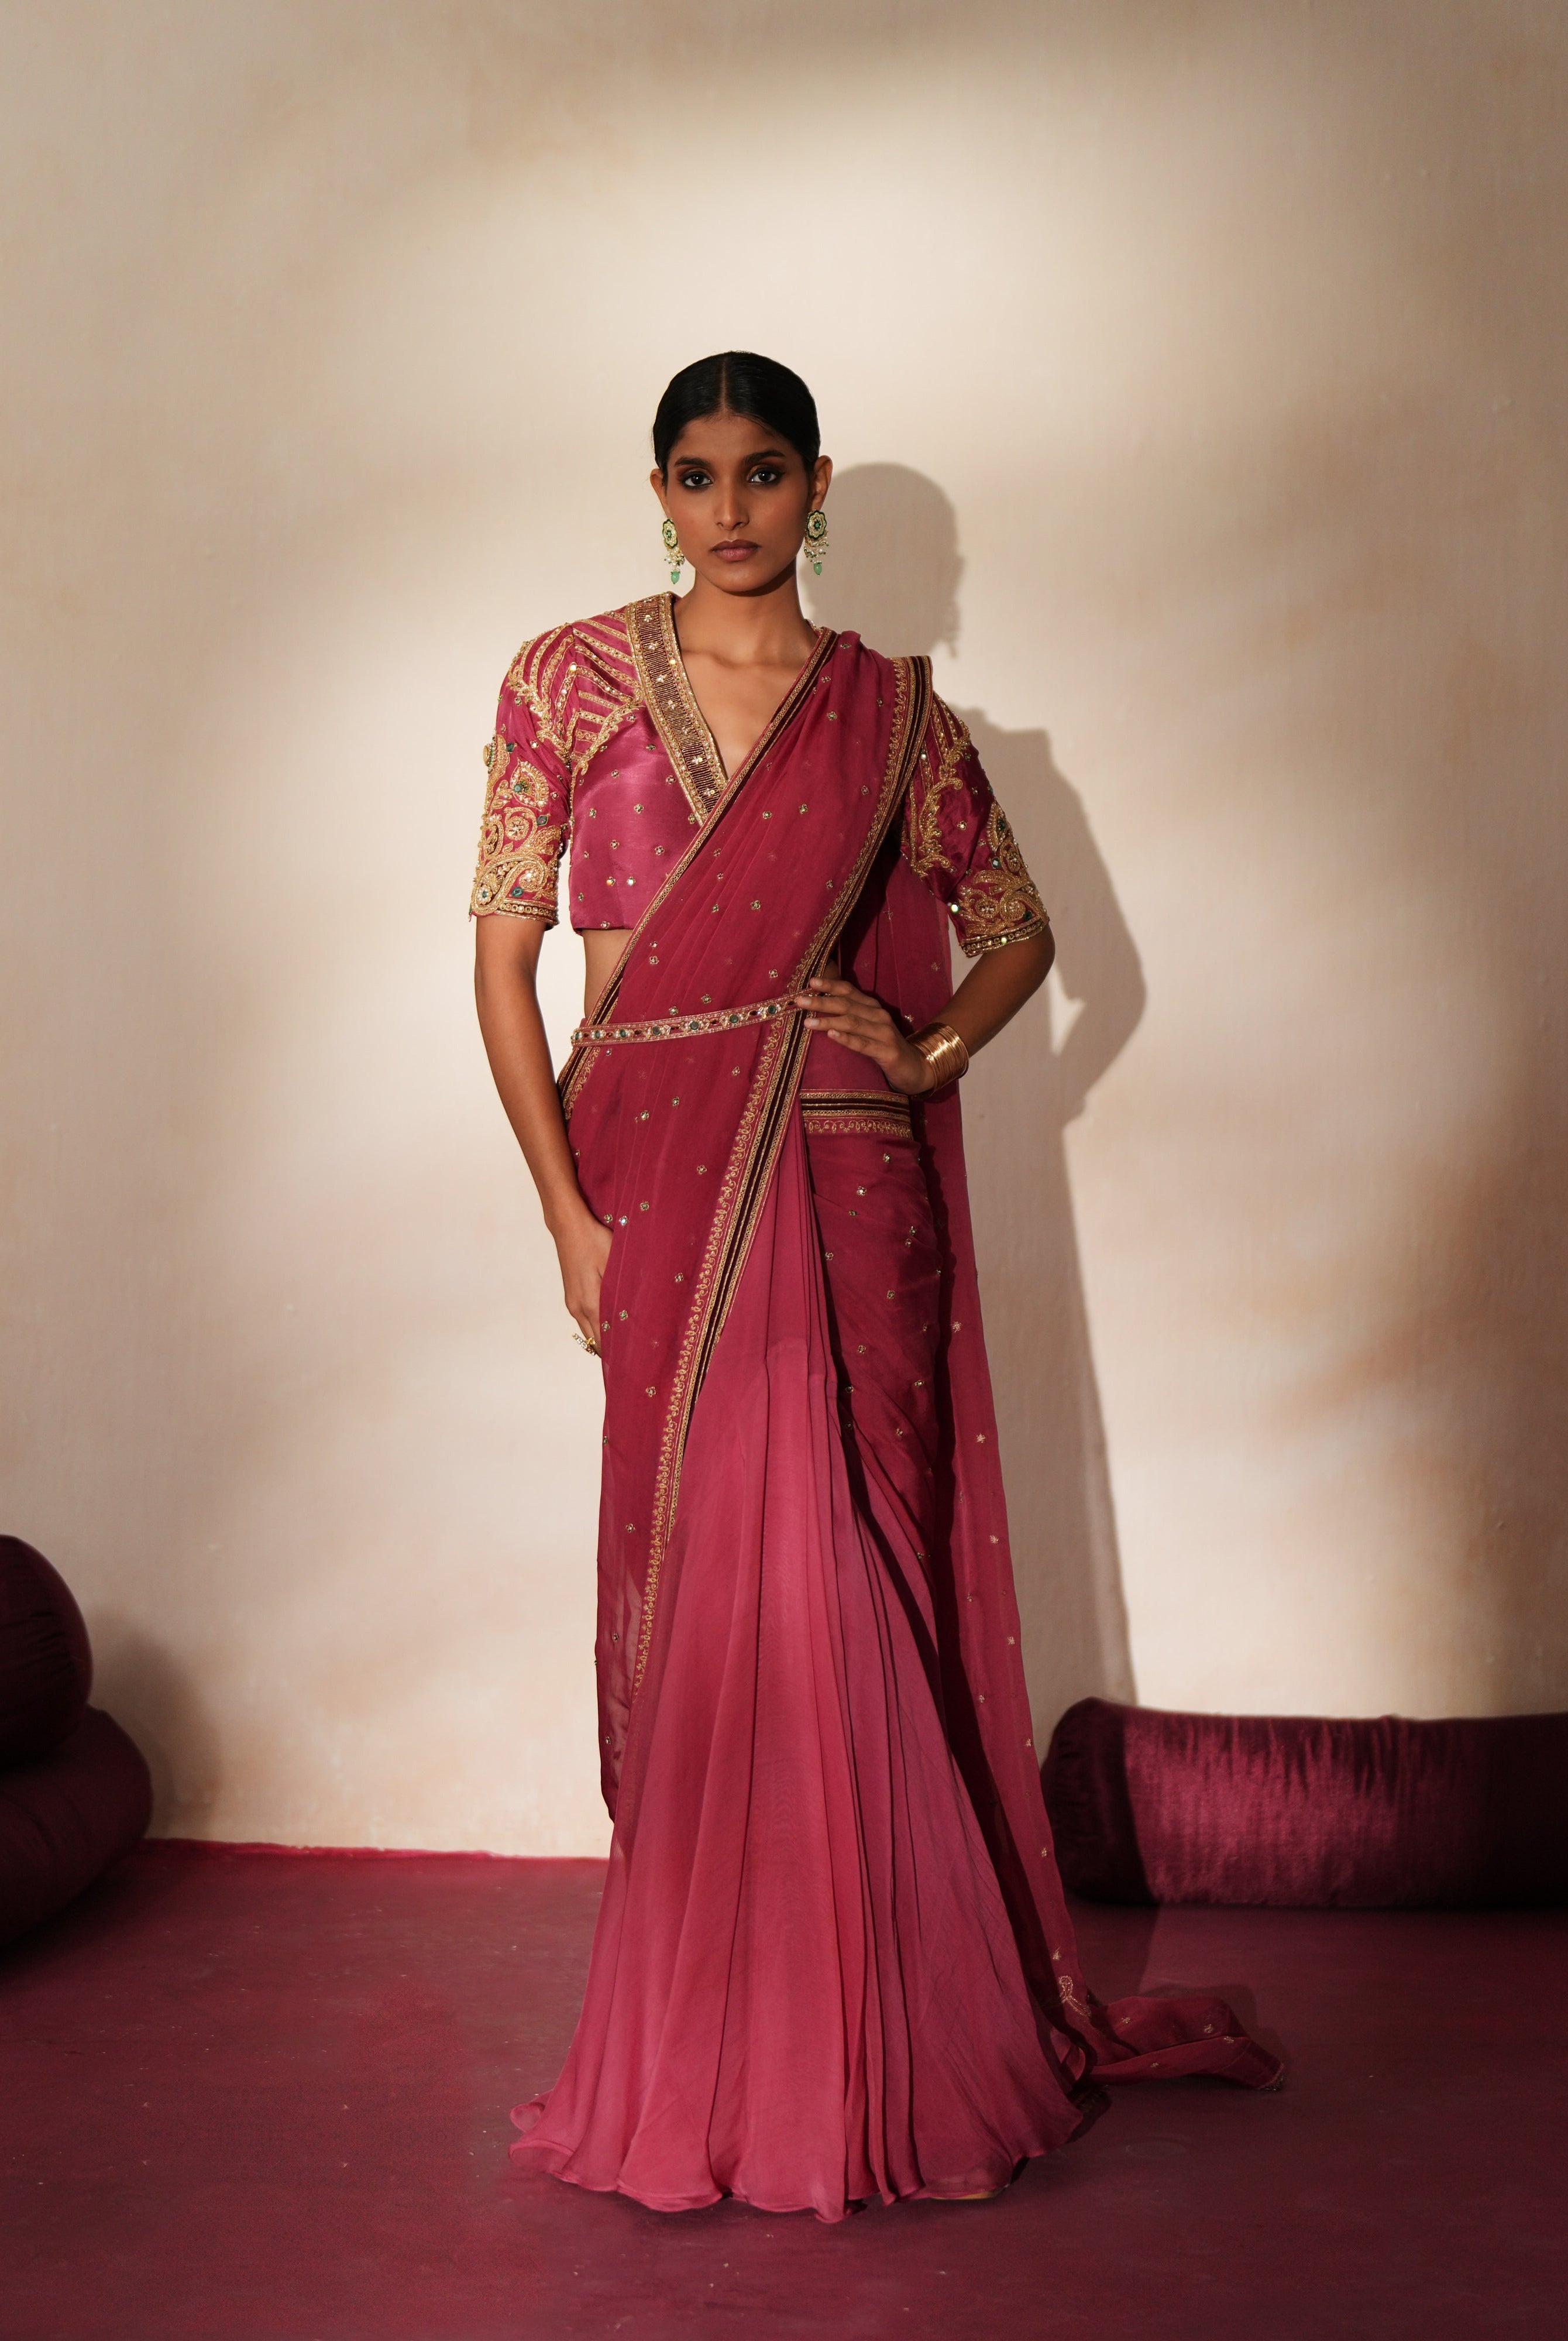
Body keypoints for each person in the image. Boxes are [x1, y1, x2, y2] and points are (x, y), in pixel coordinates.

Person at [471, 352, 1280, 2222]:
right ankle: (724, 2037)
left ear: (814, 489)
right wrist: (565, 1217)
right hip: (663, 1186)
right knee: (710, 1597)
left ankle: (892, 2046)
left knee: (863, 1576)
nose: (731, 507)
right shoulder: (565, 685)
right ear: (656, 491)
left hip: (848, 1182)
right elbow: (511, 971)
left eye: (766, 473)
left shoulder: (895, 716)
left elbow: (1021, 931)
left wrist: (923, 1055)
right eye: (696, 475)